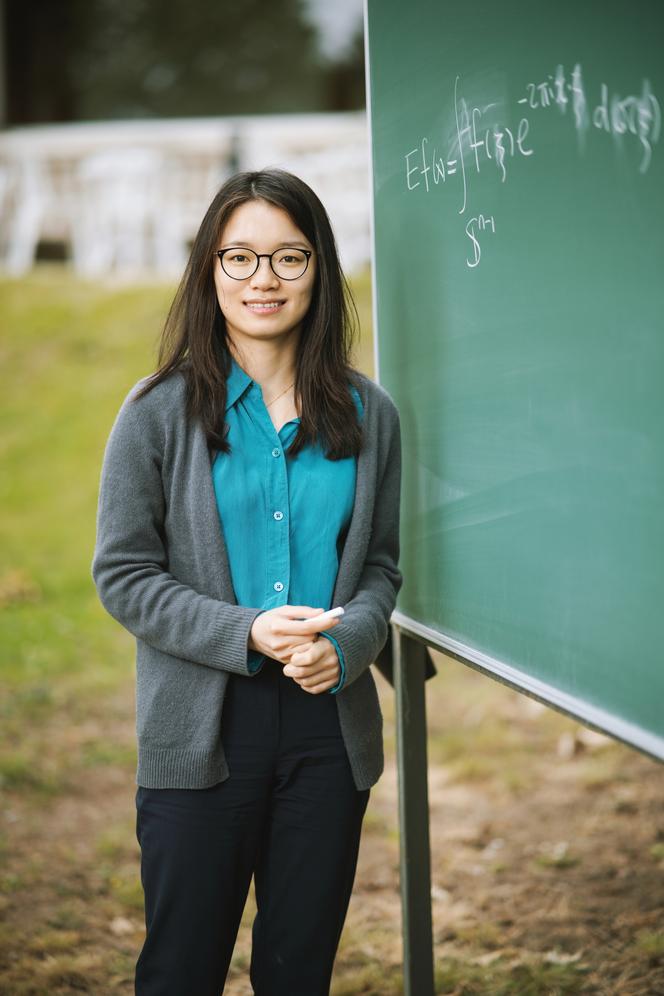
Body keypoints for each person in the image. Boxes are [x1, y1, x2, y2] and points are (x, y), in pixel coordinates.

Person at [92, 167, 403, 996]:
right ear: (209, 270)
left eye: (289, 258)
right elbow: (123, 574)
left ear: (321, 271)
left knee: (298, 973)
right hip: (200, 733)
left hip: (327, 737)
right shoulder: (155, 411)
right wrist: (246, 633)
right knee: (181, 971)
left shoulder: (372, 416)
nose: (264, 279)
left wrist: (349, 640)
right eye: (239, 258)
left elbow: (380, 566)